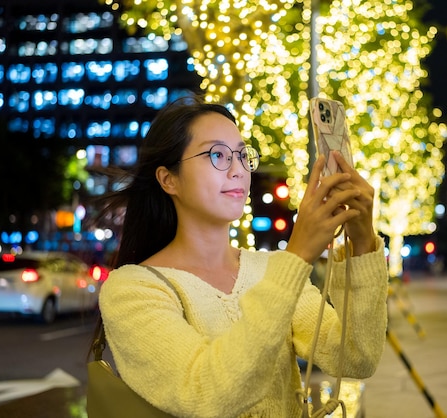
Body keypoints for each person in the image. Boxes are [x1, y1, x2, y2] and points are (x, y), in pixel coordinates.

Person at [96, 96, 389, 417]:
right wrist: (298, 254)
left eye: (242, 155)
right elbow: (206, 395)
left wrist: (361, 242)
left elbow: (355, 357)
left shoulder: (269, 269)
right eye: (218, 155)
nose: (238, 170)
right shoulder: (131, 289)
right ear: (169, 179)